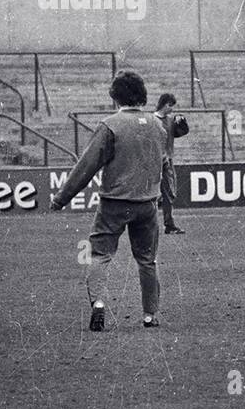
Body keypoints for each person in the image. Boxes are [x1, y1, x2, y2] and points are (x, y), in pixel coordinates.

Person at [50, 70, 167, 332]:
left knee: (100, 256)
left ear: (115, 96)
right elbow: (164, 164)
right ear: (142, 96)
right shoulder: (158, 126)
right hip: (147, 203)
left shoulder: (110, 125)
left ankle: (99, 304)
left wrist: (62, 197)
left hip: (114, 203)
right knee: (147, 260)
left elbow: (86, 166)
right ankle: (150, 315)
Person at [154, 93, 190, 234]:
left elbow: (181, 132)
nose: (172, 110)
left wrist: (183, 123)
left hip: (168, 160)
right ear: (166, 104)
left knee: (170, 192)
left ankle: (169, 224)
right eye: (171, 106)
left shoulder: (170, 120)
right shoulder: (152, 120)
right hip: (155, 163)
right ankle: (156, 224)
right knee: (155, 194)